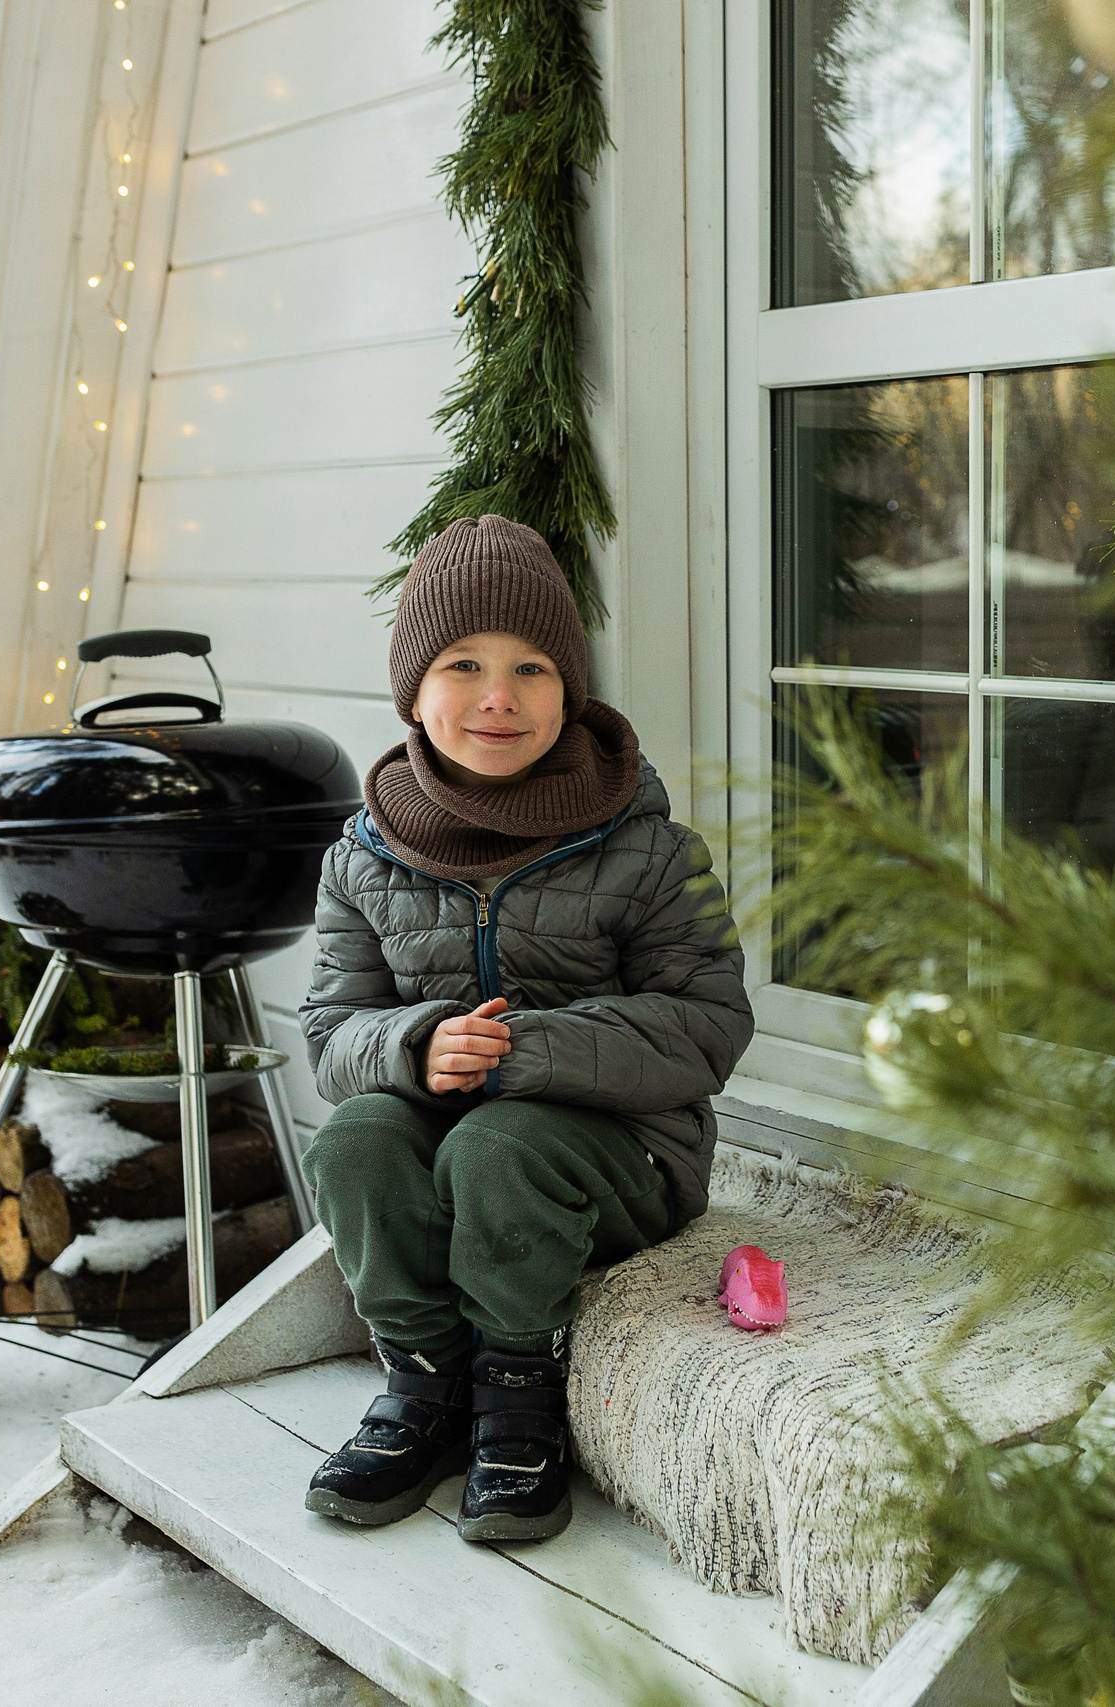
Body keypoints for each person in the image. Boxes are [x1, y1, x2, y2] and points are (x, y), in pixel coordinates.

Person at [295, 514, 752, 1543]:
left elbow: (709, 1025)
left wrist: (530, 1051)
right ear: (413, 690)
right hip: (446, 1144)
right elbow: (330, 1036)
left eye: (532, 667)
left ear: (570, 690)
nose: (498, 697)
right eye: (462, 664)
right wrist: (414, 1045)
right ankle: (423, 1385)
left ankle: (516, 1392)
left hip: (621, 1161)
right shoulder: (360, 859)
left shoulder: (650, 850)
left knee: (499, 1141)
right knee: (359, 1139)